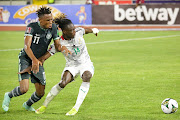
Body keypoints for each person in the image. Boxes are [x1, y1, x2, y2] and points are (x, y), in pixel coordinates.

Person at [18, 15, 99, 115]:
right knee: (63, 83)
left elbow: (86, 30)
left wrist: (94, 30)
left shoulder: (78, 32)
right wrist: (30, 67)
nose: (74, 32)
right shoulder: (59, 44)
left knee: (87, 76)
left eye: (74, 29)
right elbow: (43, 58)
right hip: (72, 65)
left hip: (85, 63)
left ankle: (75, 108)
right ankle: (44, 105)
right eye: (71, 31)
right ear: (64, 32)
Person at [2, 6, 71, 112]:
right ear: (40, 20)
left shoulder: (53, 28)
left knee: (40, 93)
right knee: (24, 89)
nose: (50, 22)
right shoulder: (32, 27)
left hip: (38, 60)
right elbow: (27, 46)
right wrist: (34, 60)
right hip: (26, 58)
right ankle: (9, 95)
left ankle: (27, 105)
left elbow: (57, 46)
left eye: (51, 19)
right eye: (48, 20)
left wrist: (63, 46)